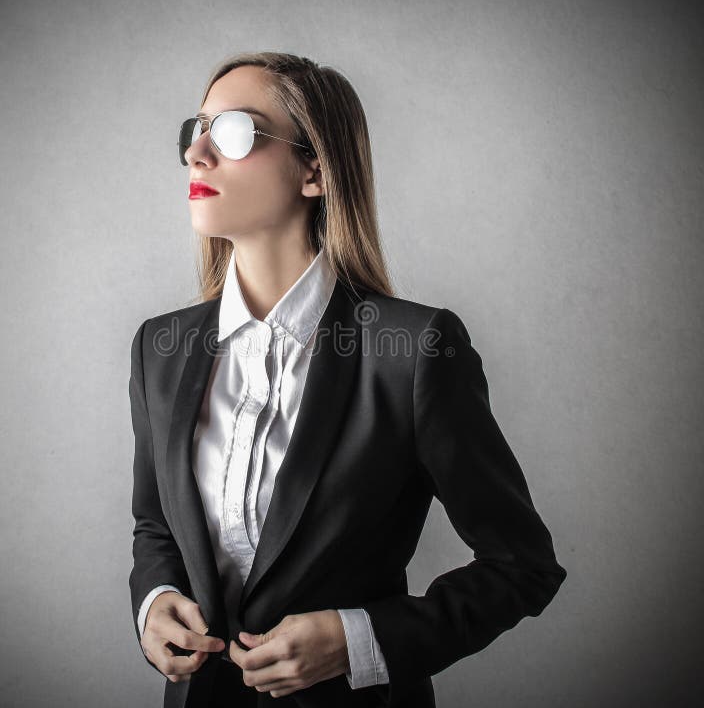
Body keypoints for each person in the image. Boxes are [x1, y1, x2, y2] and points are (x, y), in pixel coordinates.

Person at [128, 52, 567, 708]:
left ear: (316, 168)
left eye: (234, 133)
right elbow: (157, 525)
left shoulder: (415, 350)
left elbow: (522, 565)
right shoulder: (158, 349)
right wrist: (155, 602)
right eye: (197, 131)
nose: (197, 154)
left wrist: (361, 638)